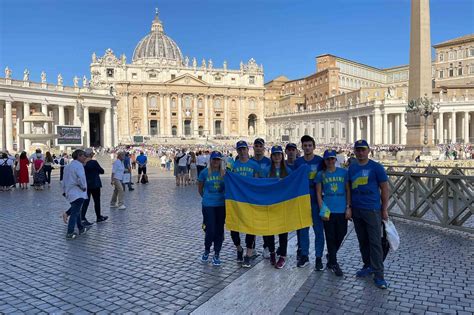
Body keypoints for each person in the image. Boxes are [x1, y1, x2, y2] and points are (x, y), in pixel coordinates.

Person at [349, 140, 389, 289]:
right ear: (354, 151)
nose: (360, 152)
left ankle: (379, 274)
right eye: (358, 150)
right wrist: (349, 207)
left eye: (363, 150)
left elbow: (385, 189)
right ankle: (367, 265)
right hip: (357, 210)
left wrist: (384, 209)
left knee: (375, 242)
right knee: (363, 241)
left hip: (372, 210)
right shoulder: (352, 168)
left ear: (368, 151)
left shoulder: (376, 167)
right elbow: (349, 189)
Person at [315, 149, 351, 277]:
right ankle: (333, 263)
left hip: (341, 209)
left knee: (342, 233)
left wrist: (348, 207)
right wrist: (322, 209)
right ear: (324, 161)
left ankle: (331, 255)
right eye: (328, 159)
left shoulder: (343, 173)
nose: (330, 161)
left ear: (335, 159)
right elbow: (318, 193)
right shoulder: (321, 174)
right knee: (330, 237)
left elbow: (348, 190)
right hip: (328, 210)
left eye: (332, 158)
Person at [294, 135, 325, 269]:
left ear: (314, 147)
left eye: (309, 145)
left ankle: (318, 257)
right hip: (302, 201)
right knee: (303, 230)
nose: (307, 148)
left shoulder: (320, 161)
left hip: (317, 201)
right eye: (305, 145)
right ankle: (304, 255)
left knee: (318, 230)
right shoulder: (298, 162)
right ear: (302, 147)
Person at [229, 140, 260, 268]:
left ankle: (248, 254)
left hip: (250, 201)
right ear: (237, 151)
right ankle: (239, 248)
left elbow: (258, 182)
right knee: (234, 228)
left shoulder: (254, 165)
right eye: (240, 149)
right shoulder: (233, 166)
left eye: (244, 149)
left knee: (250, 227)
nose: (242, 151)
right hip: (236, 201)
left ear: (248, 150)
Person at [263, 145, 292, 269]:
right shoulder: (267, 171)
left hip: (283, 205)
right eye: (275, 154)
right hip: (270, 204)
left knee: (282, 232)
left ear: (282, 155)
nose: (277, 157)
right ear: (271, 156)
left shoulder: (288, 171)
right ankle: (272, 252)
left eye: (279, 154)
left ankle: (283, 256)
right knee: (269, 231)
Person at [198, 151, 226, 266]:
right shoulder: (204, 173)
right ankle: (207, 249)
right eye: (214, 159)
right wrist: (207, 198)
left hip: (221, 205)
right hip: (208, 204)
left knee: (219, 230)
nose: (216, 161)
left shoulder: (224, 173)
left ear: (220, 161)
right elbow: (200, 189)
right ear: (211, 160)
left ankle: (217, 253)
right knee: (210, 230)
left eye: (218, 159)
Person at [61, 149, 90, 240]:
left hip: (69, 191)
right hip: (78, 192)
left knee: (77, 209)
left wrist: (64, 190)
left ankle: (81, 228)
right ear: (79, 156)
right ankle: (70, 232)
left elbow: (63, 179)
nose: (85, 157)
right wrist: (83, 187)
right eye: (83, 156)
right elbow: (80, 177)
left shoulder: (68, 166)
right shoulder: (79, 166)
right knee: (75, 212)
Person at [251, 138, 273, 259]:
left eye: (260, 146)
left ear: (263, 148)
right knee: (251, 223)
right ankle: (252, 247)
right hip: (252, 197)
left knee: (266, 223)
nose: (258, 148)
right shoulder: (248, 161)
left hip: (265, 196)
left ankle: (266, 247)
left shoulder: (269, 162)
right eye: (256, 146)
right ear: (253, 148)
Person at [81, 148, 108, 225]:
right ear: (91, 155)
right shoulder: (94, 162)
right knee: (97, 201)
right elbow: (102, 171)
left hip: (86, 185)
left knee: (86, 201)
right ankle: (98, 217)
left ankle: (82, 217)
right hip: (95, 184)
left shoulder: (82, 164)